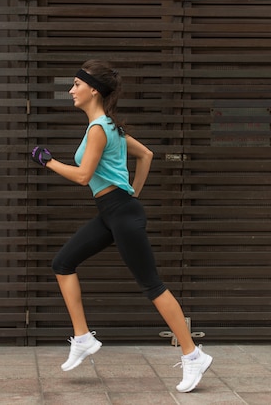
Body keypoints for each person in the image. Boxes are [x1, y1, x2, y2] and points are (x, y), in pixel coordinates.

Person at [30, 60, 213, 393]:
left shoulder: (100, 128)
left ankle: (193, 354)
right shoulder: (109, 127)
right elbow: (147, 155)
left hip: (121, 213)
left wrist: (49, 161)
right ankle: (83, 338)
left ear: (93, 90)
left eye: (76, 85)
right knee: (63, 263)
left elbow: (84, 175)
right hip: (113, 213)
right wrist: (133, 194)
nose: (71, 91)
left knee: (152, 286)